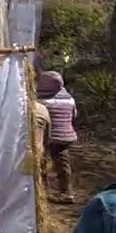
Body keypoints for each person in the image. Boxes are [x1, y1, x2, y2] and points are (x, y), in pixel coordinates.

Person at [37, 70, 78, 203]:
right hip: (65, 136)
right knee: (63, 165)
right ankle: (66, 192)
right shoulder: (69, 99)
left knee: (40, 163)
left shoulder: (42, 101)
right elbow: (74, 116)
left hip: (47, 137)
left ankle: (41, 191)